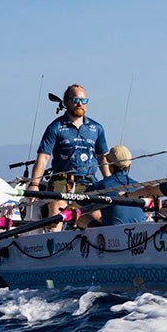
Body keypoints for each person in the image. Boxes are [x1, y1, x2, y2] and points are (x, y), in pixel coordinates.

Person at [28, 83, 110, 227]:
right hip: (61, 181)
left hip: (88, 182)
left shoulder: (97, 128)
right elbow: (43, 158)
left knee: (99, 216)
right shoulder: (55, 127)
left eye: (84, 101)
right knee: (57, 212)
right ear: (66, 102)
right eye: (76, 100)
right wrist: (34, 184)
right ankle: (52, 243)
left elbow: (102, 157)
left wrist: (110, 182)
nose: (80, 104)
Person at [77, 145, 148, 227]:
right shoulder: (138, 186)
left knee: (81, 217)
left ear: (109, 162)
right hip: (139, 233)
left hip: (112, 235)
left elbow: (76, 205)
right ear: (129, 164)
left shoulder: (102, 186)